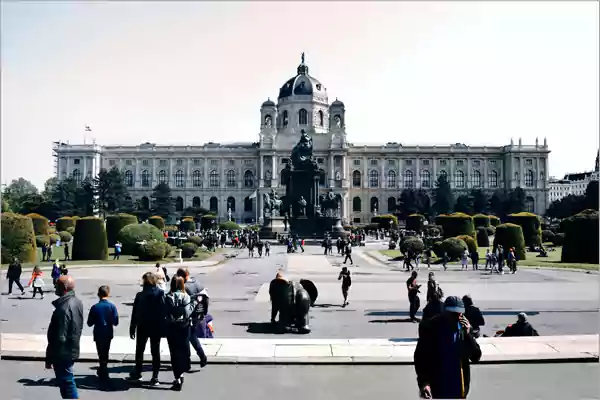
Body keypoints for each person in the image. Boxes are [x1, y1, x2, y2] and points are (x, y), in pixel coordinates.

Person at [414, 296, 482, 399]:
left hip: (459, 390)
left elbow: (476, 356)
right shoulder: (430, 328)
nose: (457, 317)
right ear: (445, 312)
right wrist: (424, 383)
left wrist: (468, 335)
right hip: (438, 388)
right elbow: (420, 358)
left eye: (460, 314)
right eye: (453, 314)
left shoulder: (463, 330)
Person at [45, 276, 84, 399]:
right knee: (66, 380)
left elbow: (59, 337)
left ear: (65, 288)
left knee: (66, 382)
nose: (55, 287)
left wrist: (49, 357)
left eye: (57, 285)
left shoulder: (63, 308)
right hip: (71, 347)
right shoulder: (77, 301)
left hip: (63, 352)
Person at [128, 272, 166, 385]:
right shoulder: (160, 293)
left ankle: (138, 372)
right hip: (156, 326)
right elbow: (163, 311)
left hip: (142, 325)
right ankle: (155, 376)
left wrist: (132, 327)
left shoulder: (140, 295)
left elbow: (135, 313)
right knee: (155, 352)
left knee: (140, 350)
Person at [165, 276, 194, 391]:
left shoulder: (167, 297)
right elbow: (187, 313)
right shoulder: (186, 297)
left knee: (174, 352)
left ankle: (177, 377)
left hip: (171, 327)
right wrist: (193, 304)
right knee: (183, 349)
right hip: (184, 327)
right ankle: (183, 370)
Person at [176, 268, 208, 368]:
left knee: (187, 337)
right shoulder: (197, 283)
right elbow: (205, 299)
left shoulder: (184, 287)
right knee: (191, 335)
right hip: (199, 314)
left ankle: (191, 359)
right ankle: (200, 356)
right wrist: (204, 312)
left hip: (188, 315)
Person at [87, 285, 119, 380]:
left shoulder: (95, 307)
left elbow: (89, 323)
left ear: (98, 294)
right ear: (108, 294)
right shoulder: (112, 306)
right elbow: (116, 322)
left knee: (100, 352)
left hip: (98, 332)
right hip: (108, 332)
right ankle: (103, 368)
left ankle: (103, 368)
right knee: (106, 351)